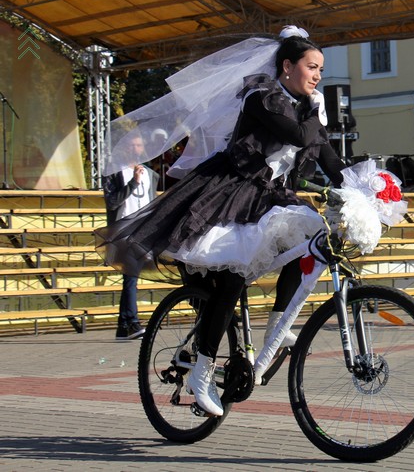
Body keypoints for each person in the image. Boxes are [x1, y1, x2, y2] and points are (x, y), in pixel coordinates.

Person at [95, 27, 346, 417]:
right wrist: (315, 108)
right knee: (229, 283)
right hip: (231, 192)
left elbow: (325, 150)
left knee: (310, 237)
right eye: (312, 67)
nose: (318, 76)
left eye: (320, 70)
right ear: (286, 66)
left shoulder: (300, 106)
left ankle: (276, 328)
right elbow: (298, 136)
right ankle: (201, 371)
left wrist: (354, 185)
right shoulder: (262, 97)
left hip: (269, 196)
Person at [102, 133, 159, 340]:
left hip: (141, 230)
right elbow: (112, 202)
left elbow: (151, 203)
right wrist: (133, 183)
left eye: (139, 145)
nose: (136, 148)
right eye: (132, 145)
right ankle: (132, 322)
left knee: (131, 277)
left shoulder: (150, 174)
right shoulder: (114, 172)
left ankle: (123, 327)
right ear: (124, 147)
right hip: (122, 230)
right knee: (130, 277)